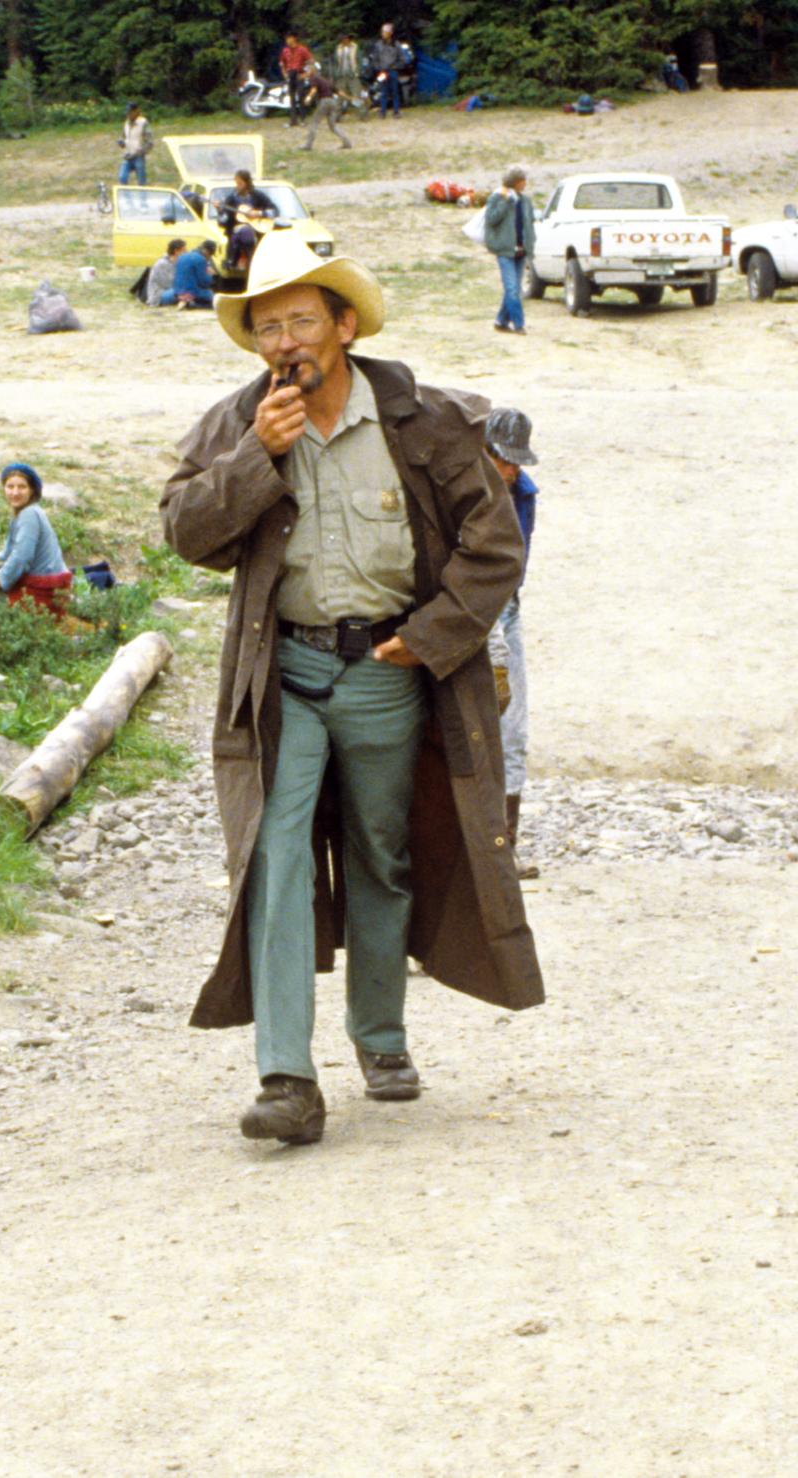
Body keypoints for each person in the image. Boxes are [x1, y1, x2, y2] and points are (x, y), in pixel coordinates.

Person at [160, 230, 542, 1147]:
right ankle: (287, 1079)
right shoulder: (236, 422)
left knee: (384, 852)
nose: (285, 343)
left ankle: (381, 1036)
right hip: (282, 673)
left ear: (342, 325)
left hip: (385, 670)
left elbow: (495, 549)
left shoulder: (426, 419)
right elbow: (185, 534)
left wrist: (428, 638)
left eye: (301, 321)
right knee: (276, 856)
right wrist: (256, 458)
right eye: (267, 328)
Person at [484, 408, 540, 879]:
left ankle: (504, 848)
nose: (512, 469)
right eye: (505, 460)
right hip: (472, 611)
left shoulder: (523, 493)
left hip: (506, 607)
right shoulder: (461, 493)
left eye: (517, 461)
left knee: (513, 728)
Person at [0, 463, 71, 609]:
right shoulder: (28, 511)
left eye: (22, 487)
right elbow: (10, 551)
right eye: (10, 486)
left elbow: (21, 556)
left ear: (32, 490)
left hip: (44, 589)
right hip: (54, 582)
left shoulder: (29, 515)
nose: (15, 492)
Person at [484, 167, 536, 336]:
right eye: (522, 180)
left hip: (521, 251)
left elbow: (529, 224)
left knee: (513, 289)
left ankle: (501, 321)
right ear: (514, 182)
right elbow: (491, 219)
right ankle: (519, 324)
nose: (525, 183)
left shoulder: (525, 201)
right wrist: (506, 202)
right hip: (505, 251)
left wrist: (530, 245)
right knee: (513, 289)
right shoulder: (498, 198)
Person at [217, 169, 278, 275]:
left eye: (240, 183)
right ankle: (238, 260)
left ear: (247, 183)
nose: (237, 186)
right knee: (245, 231)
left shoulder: (258, 196)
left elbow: (275, 211)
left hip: (259, 230)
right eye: (236, 183)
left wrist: (259, 213)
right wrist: (220, 210)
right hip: (238, 232)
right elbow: (223, 220)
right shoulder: (232, 198)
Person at [300, 64, 354, 150]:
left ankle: (308, 145)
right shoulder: (325, 80)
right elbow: (339, 92)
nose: (305, 73)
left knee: (314, 122)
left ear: (311, 71)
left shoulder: (313, 78)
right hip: (333, 102)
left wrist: (308, 97)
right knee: (333, 126)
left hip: (324, 101)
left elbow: (314, 89)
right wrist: (349, 98)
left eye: (306, 71)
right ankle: (347, 142)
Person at [372, 23, 407, 118]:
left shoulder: (396, 45)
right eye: (382, 32)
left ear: (390, 33)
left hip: (393, 71)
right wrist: (378, 68)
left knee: (395, 91)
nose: (382, 34)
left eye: (384, 32)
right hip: (382, 71)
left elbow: (402, 59)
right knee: (383, 91)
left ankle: (396, 111)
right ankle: (382, 112)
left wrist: (395, 66)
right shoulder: (378, 45)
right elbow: (375, 59)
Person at [279, 33, 314, 125]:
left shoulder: (302, 49)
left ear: (294, 38)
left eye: (289, 38)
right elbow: (282, 63)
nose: (287, 41)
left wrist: (306, 74)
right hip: (290, 74)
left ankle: (303, 119)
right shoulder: (285, 50)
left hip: (299, 73)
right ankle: (293, 120)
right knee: (292, 97)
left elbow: (311, 62)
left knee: (301, 95)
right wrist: (284, 73)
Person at [172, 239, 216, 308]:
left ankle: (185, 302)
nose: (210, 257)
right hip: (191, 292)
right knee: (211, 296)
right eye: (211, 254)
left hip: (176, 292)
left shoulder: (182, 256)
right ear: (207, 251)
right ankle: (192, 304)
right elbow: (203, 282)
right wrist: (210, 275)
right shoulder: (201, 259)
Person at [144, 238, 187, 306]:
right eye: (184, 251)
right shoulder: (162, 264)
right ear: (176, 251)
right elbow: (167, 284)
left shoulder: (179, 263)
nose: (186, 253)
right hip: (160, 295)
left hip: (174, 291)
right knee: (180, 291)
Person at [119, 103, 153, 185]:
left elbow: (149, 142)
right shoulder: (126, 123)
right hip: (128, 155)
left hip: (138, 156)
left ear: (136, 111)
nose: (128, 115)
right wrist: (121, 142)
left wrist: (141, 151)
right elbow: (124, 137)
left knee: (141, 180)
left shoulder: (143, 123)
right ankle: (126, 196)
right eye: (127, 113)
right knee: (122, 177)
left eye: (130, 112)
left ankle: (143, 196)